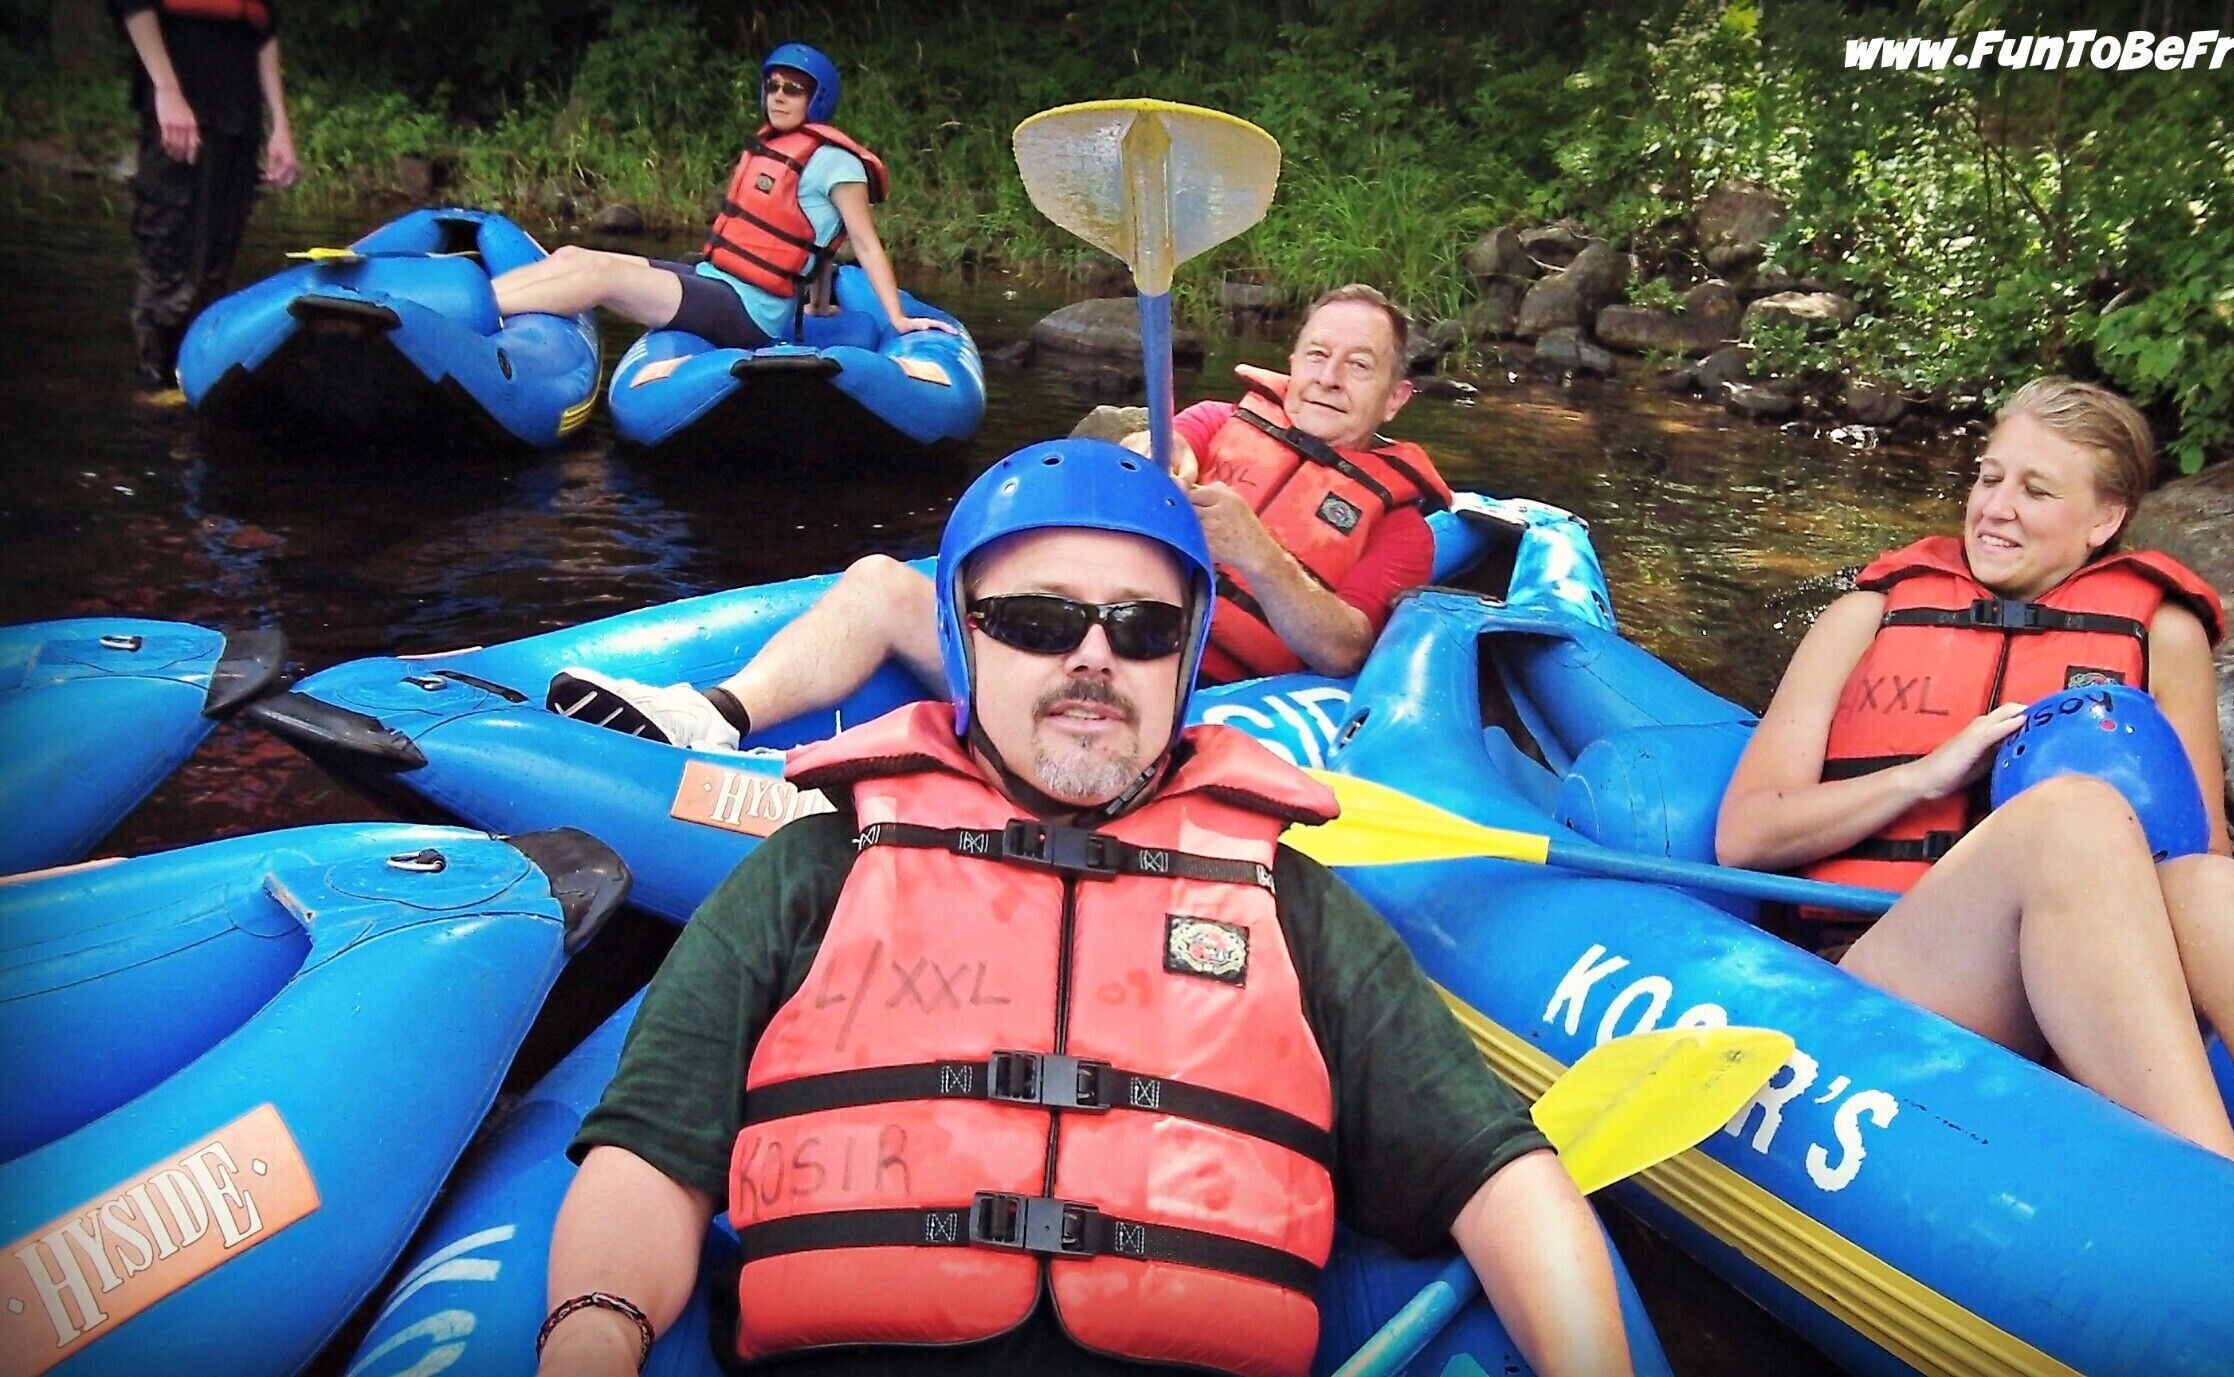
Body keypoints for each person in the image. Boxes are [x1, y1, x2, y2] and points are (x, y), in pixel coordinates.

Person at [535, 442, 1631, 1376]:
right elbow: (650, 1158)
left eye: (1142, 628)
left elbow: (1499, 1181)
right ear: (963, 637)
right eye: (1038, 620)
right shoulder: (813, 872)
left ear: (1184, 657)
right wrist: (593, 1334)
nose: (1094, 657)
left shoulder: (1293, 907)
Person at [1714, 376, 2234, 1253]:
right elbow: (1746, 833)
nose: (1995, 507)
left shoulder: (2162, 634)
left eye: (2036, 490)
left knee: (2215, 889)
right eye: (1989, 476)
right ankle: (2230, 1213)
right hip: (1892, 970)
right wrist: (1923, 776)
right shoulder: (1865, 616)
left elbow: (2198, 857)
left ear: (2105, 519)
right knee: (2075, 816)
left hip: (2082, 989)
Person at [546, 284, 1449, 749]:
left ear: (1396, 396)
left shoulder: (1402, 526)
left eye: (1358, 365)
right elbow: (1154, 443)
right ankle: (714, 715)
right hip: (1076, 643)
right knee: (877, 582)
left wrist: (1256, 552)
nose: (1328, 377)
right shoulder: (1220, 420)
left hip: (1190, 700)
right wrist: (1153, 458)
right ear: (1293, 360)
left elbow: (1344, 650)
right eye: (1318, 354)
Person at [488, 43, 954, 351]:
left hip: (751, 312)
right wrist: (816, 305)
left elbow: (863, 243)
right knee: (575, 254)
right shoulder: (775, 145)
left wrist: (897, 318)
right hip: (716, 280)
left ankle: (481, 310)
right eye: (773, 86)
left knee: (601, 276)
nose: (778, 97)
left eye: (793, 90)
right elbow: (816, 238)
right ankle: (479, 297)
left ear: (817, 98)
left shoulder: (838, 164)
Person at [116, 0, 298, 388]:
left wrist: (280, 124)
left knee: (212, 277)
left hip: (239, 123)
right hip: (179, 117)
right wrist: (167, 89)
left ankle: (191, 386)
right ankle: (154, 388)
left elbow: (264, 29)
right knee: (170, 274)